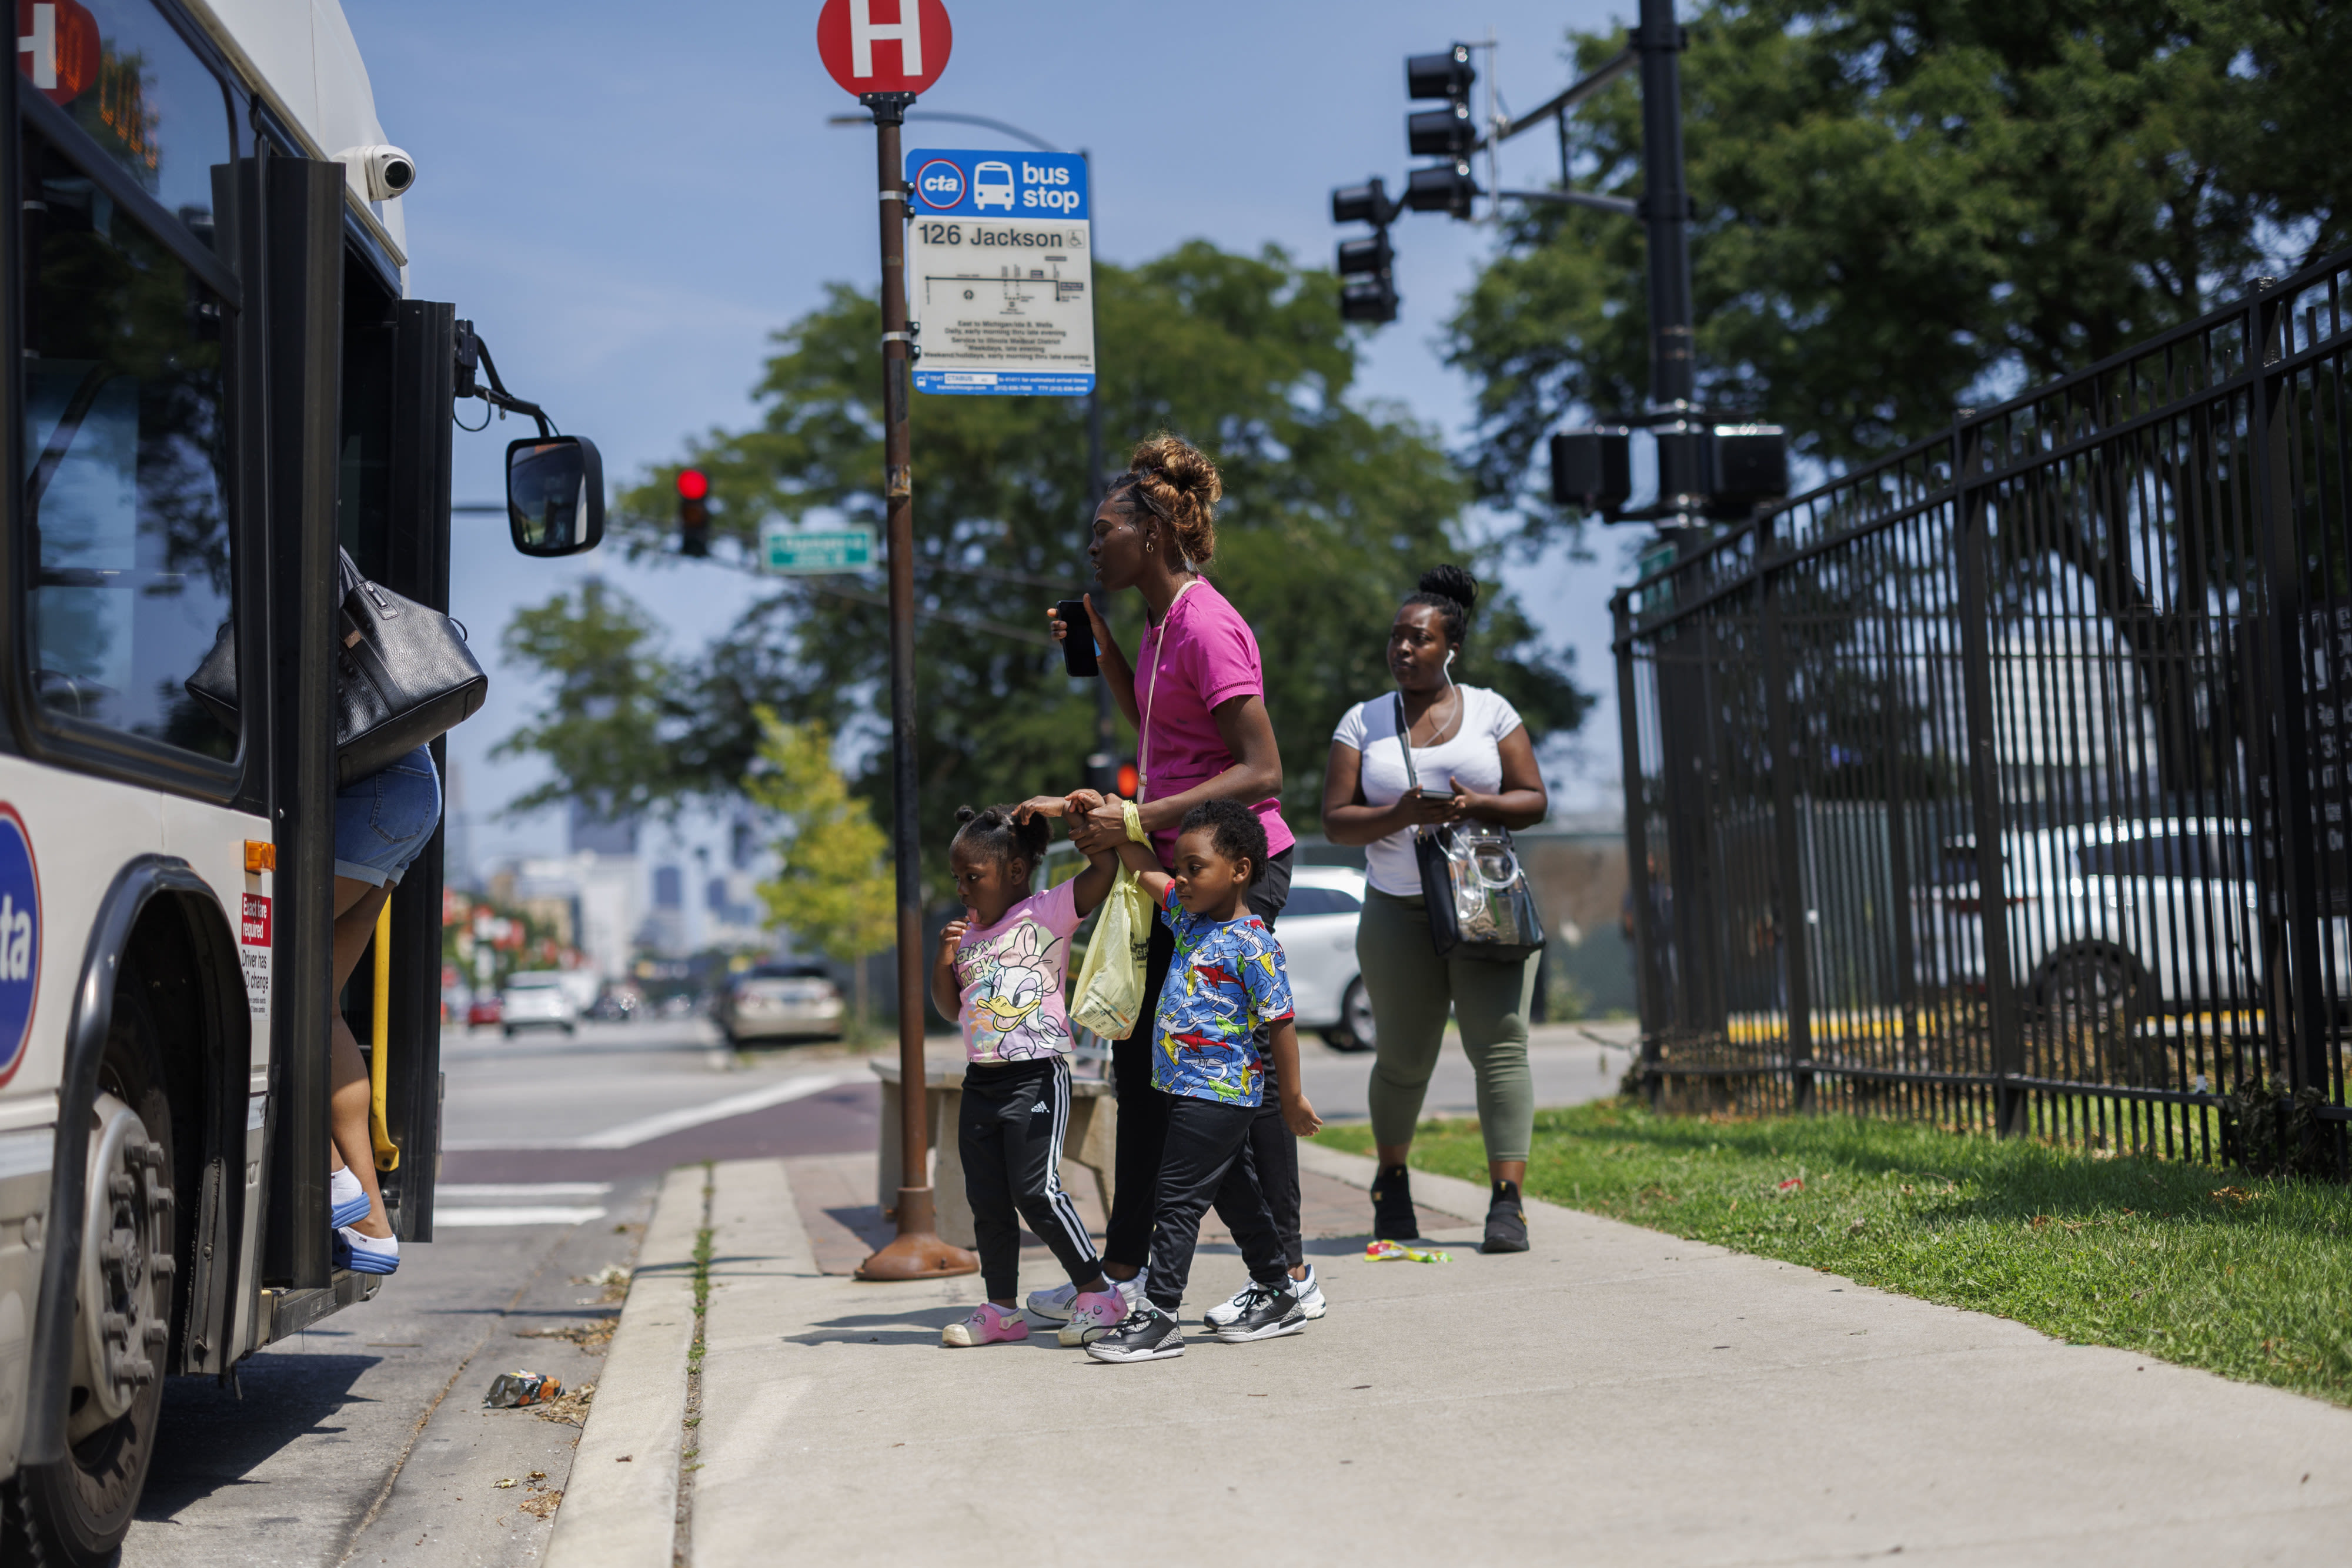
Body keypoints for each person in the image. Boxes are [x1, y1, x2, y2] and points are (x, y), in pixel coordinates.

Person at [1037, 433, 1325, 1326]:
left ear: (1154, 534)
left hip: (1240, 869)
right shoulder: (1163, 628)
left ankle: (1290, 1272)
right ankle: (1121, 1274)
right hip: (1178, 867)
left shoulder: (1205, 623)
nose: (1093, 545)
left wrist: (1140, 821)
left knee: (1227, 1075)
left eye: (1105, 529)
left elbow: (1263, 768)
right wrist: (1105, 650)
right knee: (1144, 1060)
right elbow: (1159, 728)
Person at [1321, 566, 1550, 1253]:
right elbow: (1335, 821)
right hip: (1396, 910)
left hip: (1485, 906)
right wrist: (1398, 813)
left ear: (1450, 647)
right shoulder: (1362, 721)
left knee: (1501, 1050)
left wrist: (1472, 804)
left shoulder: (1490, 712)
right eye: (1396, 637)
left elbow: (1532, 799)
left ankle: (1507, 1203)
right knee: (1401, 1058)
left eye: (1418, 638)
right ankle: (1391, 1183)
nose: (1403, 648)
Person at [1085, 801, 1321, 1363]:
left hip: (1220, 1092)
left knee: (1178, 1201)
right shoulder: (1187, 919)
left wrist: (1290, 1097)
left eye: (1196, 868)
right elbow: (1146, 869)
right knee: (1234, 1192)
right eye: (1182, 868)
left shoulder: (1253, 942)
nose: (1184, 879)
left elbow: (1281, 1024)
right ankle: (1277, 1290)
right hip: (1185, 1089)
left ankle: (1160, 1315)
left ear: (1240, 870)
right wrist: (1120, 825)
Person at [929, 805, 1130, 1348]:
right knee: (988, 1199)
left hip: (1036, 1077)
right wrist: (944, 958)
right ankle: (1001, 1309)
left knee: (1036, 1190)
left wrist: (1073, 812)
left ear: (1015, 872)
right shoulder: (966, 934)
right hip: (982, 1081)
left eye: (974, 877)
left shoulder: (1047, 911)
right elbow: (950, 1008)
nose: (964, 890)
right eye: (958, 879)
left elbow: (1105, 871)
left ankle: (1099, 1293)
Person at [327, 746, 445, 1275]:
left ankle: (330, 1174)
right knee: (316, 1004)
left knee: (264, 983)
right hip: (410, 784)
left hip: (369, 786)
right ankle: (372, 1225)